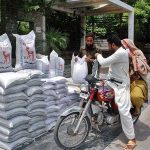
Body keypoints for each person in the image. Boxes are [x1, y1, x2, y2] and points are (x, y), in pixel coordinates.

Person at [95, 34, 136, 150]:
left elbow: (103, 62)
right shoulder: (118, 52)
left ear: (113, 44)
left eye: (108, 44)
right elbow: (110, 66)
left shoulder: (121, 53)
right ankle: (100, 117)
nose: (108, 46)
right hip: (112, 82)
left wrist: (98, 55)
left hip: (121, 85)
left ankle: (132, 138)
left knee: (123, 111)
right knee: (96, 93)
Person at [121, 39, 149, 116]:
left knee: (135, 96)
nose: (123, 46)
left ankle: (137, 108)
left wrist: (133, 57)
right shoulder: (122, 53)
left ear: (129, 44)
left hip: (138, 80)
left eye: (124, 44)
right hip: (125, 79)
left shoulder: (138, 52)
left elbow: (143, 67)